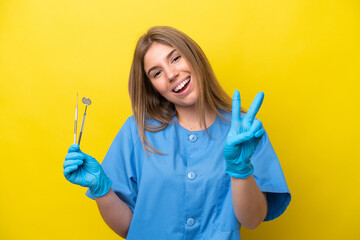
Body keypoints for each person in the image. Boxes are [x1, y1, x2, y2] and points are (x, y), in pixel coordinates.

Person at [63, 26, 291, 239]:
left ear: (194, 56)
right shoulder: (137, 131)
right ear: (152, 86)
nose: (171, 74)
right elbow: (128, 229)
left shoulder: (244, 131)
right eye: (156, 73)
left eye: (175, 58)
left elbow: (252, 220)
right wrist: (101, 189)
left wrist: (241, 171)